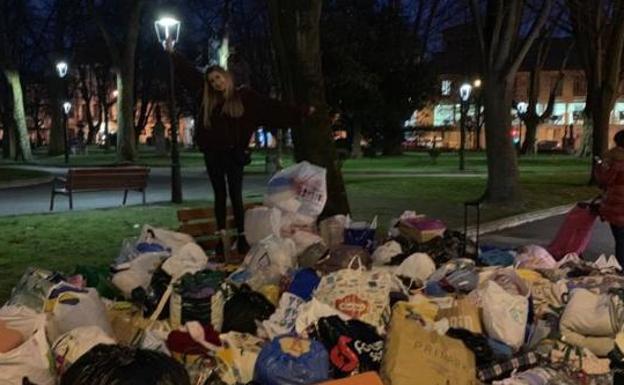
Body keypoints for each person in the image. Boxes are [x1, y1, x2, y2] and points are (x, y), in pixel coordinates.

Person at [166, 40, 312, 255]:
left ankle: (242, 238)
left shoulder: (245, 98)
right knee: (219, 195)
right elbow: (189, 75)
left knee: (235, 195)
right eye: (212, 80)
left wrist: (300, 112)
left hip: (235, 154)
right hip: (213, 155)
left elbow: (272, 108)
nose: (216, 83)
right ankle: (221, 239)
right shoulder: (206, 99)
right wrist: (173, 54)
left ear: (226, 77)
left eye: (218, 78)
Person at [596, 130, 624, 265]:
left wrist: (600, 167)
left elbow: (604, 180)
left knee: (621, 240)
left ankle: (621, 270)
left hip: (616, 205)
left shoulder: (614, 160)